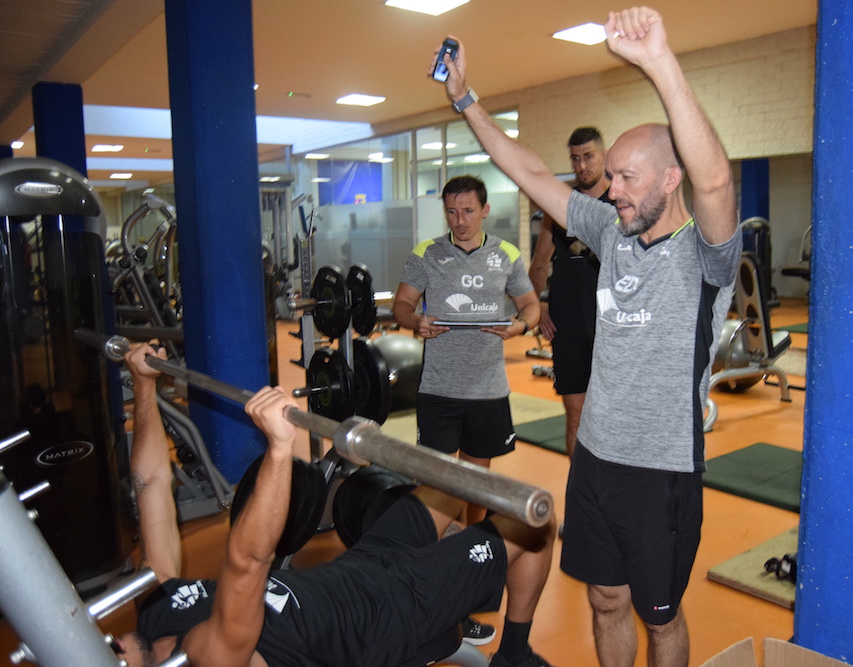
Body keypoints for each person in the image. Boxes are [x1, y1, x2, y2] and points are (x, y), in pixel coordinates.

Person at [432, 7, 740, 666]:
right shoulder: (610, 231)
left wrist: (659, 60)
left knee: (662, 618)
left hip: (661, 472)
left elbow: (716, 179)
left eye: (628, 178)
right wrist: (466, 101)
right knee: (604, 599)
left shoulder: (704, 256)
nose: (613, 190)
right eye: (613, 178)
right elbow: (531, 173)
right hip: (596, 459)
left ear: (670, 177)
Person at [113, 342, 556, 667]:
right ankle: (514, 657)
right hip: (390, 614)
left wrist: (143, 385)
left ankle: (462, 576)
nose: (107, 643)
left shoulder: (154, 613)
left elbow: (150, 484)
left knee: (455, 480)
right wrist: (280, 450)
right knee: (535, 521)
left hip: (362, 566)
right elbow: (248, 561)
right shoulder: (207, 659)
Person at [392, 175, 540, 531]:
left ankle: (471, 545)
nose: (460, 220)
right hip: (438, 389)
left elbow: (531, 305)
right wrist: (415, 321)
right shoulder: (426, 253)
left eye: (468, 211)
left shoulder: (506, 254)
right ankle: (436, 546)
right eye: (452, 212)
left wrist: (521, 325)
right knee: (439, 482)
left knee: (476, 482)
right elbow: (402, 304)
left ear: (485, 210)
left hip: (486, 389)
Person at [527, 127, 611, 460]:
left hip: (611, 329)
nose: (581, 166)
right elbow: (538, 266)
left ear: (604, 155)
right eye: (575, 159)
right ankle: (581, 505)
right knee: (576, 416)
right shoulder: (561, 208)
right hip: (570, 329)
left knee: (609, 419)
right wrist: (539, 306)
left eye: (588, 156)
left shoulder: (620, 205)